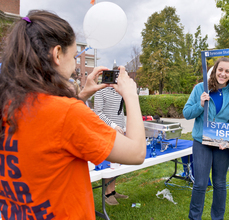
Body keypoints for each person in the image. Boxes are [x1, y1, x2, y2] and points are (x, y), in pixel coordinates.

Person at [0, 10, 146, 219]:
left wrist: (83, 94)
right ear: (57, 54)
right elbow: (137, 152)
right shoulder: (66, 113)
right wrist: (131, 95)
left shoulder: (8, 103)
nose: (74, 63)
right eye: (74, 55)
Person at [183, 57, 229, 220]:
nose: (222, 73)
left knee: (220, 183)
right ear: (214, 70)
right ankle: (194, 217)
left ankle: (217, 217)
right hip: (202, 142)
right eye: (220, 69)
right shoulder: (201, 88)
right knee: (201, 183)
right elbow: (186, 113)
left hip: (223, 144)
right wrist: (200, 104)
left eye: (227, 71)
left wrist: (227, 141)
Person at [94, 85, 128, 205]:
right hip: (106, 132)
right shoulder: (100, 91)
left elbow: (120, 111)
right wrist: (113, 126)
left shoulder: (119, 91)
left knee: (117, 163)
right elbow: (98, 113)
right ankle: (107, 193)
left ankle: (113, 191)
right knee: (109, 164)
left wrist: (123, 126)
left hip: (119, 132)